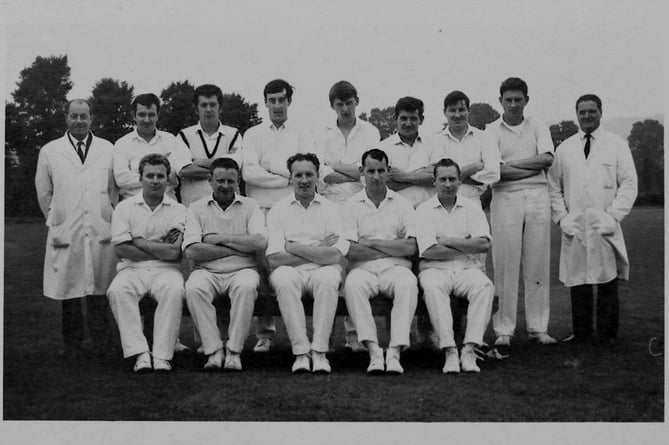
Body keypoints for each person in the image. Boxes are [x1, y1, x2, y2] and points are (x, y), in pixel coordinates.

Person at [547, 94, 637, 345]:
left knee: (607, 279)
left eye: (591, 111)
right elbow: (553, 187)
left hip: (604, 222)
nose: (587, 116)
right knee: (579, 280)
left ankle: (608, 335)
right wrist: (561, 218)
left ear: (600, 112)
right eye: (582, 112)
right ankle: (582, 333)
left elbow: (629, 184)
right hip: (575, 224)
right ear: (577, 114)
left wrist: (614, 216)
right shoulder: (564, 149)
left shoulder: (616, 145)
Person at [35, 99, 118, 359]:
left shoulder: (108, 149)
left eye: (84, 116)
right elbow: (44, 191)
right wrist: (55, 218)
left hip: (99, 225)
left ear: (92, 119)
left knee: (100, 289)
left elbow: (114, 188)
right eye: (74, 116)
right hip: (67, 227)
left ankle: (102, 343)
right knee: (69, 290)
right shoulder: (50, 150)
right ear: (66, 119)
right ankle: (72, 346)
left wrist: (108, 213)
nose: (79, 121)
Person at [242, 79, 316, 353]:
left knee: (297, 269)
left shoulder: (302, 133)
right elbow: (249, 173)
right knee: (262, 269)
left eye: (281, 100)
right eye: (271, 100)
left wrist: (272, 168)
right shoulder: (252, 134)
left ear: (289, 102)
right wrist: (288, 177)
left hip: (292, 209)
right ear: (265, 103)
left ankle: (308, 335)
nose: (276, 105)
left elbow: (308, 168)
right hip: (260, 208)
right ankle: (265, 333)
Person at [485, 77, 557, 348]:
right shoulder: (491, 131)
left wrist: (510, 166)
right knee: (505, 263)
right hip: (505, 198)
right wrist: (531, 166)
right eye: (508, 100)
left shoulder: (538, 126)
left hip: (538, 196)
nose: (513, 104)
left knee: (537, 263)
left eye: (518, 99)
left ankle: (538, 328)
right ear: (500, 101)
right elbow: (496, 171)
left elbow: (547, 159)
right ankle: (504, 328)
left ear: (526, 100)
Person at [266, 153, 349, 373]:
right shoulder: (278, 210)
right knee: (283, 279)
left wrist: (292, 247)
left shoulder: (331, 209)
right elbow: (274, 259)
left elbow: (335, 256)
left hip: (323, 269)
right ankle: (301, 352)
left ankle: (320, 352)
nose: (304, 180)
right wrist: (317, 248)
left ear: (317, 176)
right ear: (291, 177)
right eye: (298, 175)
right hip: (288, 270)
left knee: (329, 278)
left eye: (309, 174)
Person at [315, 80, 381, 352]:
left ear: (356, 102)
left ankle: (354, 336)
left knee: (355, 268)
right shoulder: (322, 133)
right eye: (339, 104)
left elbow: (369, 170)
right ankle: (326, 337)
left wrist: (339, 169)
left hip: (359, 203)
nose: (345, 108)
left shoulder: (370, 132)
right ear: (332, 105)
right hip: (330, 204)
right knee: (331, 269)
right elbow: (320, 172)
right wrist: (353, 169)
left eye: (349, 103)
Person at [183, 158, 267, 371]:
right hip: (206, 270)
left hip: (243, 270)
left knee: (246, 287)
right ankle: (213, 350)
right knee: (193, 288)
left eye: (231, 181)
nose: (226, 186)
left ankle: (234, 351)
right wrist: (239, 245)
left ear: (238, 181)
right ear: (210, 180)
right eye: (220, 180)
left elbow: (259, 242)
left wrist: (218, 238)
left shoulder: (251, 205)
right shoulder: (195, 208)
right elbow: (192, 250)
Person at [107, 154, 186, 373]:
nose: (155, 180)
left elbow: (174, 252)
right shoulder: (124, 207)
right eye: (149, 175)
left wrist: (139, 242)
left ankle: (162, 356)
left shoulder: (178, 209)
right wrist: (158, 249)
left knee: (174, 290)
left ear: (167, 179)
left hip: (167, 270)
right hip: (131, 268)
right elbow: (121, 249)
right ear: (140, 178)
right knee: (117, 291)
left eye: (160, 176)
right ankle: (140, 352)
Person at [342, 149, 418, 374]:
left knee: (408, 284)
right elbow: (351, 251)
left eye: (381, 171)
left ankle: (394, 351)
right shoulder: (350, 205)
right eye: (371, 171)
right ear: (362, 172)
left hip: (397, 268)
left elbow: (410, 247)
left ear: (388, 172)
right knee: (352, 286)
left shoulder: (403, 204)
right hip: (362, 270)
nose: (376, 176)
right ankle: (374, 351)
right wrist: (391, 247)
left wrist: (370, 243)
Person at [415, 158, 495, 373]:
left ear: (460, 181)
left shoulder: (471, 207)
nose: (448, 184)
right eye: (443, 179)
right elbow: (429, 251)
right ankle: (449, 350)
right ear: (434, 182)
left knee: (485, 287)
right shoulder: (423, 210)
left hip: (466, 268)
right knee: (432, 287)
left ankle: (469, 349)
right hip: (434, 268)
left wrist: (446, 240)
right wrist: (467, 243)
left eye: (452, 179)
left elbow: (484, 244)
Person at [113, 93, 192, 201]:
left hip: (168, 207)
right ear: (133, 116)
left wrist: (139, 176)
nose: (146, 120)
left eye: (151, 115)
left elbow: (179, 173)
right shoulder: (122, 144)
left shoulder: (171, 140)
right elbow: (121, 179)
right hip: (134, 208)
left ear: (157, 115)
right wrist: (162, 176)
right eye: (142, 115)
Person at [176, 84, 243, 206]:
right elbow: (183, 170)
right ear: (196, 109)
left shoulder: (233, 134)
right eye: (203, 105)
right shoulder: (184, 136)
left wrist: (199, 162)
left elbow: (235, 167)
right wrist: (222, 167)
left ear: (220, 107)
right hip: (193, 207)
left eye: (212, 105)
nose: (208, 109)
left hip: (228, 207)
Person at [379, 96, 443, 208]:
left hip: (429, 212)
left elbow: (440, 177)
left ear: (421, 119)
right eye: (403, 118)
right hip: (395, 212)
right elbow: (384, 183)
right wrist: (423, 175)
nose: (408, 123)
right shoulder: (383, 148)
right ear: (395, 118)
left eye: (413, 118)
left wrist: (403, 177)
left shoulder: (434, 144)